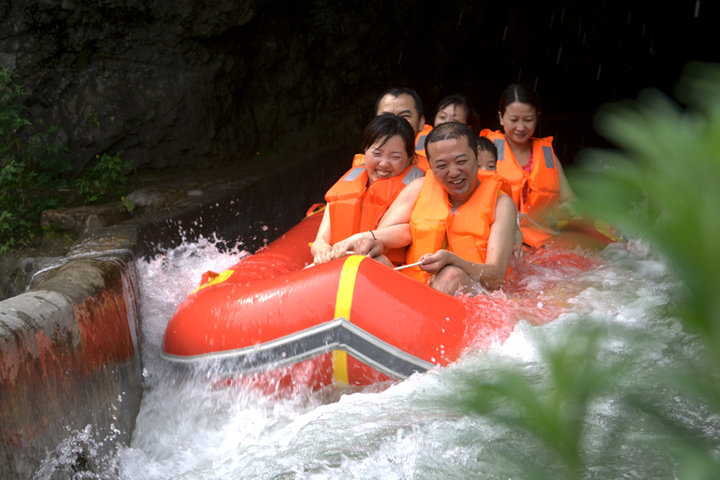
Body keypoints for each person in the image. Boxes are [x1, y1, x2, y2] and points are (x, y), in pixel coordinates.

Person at [373, 122, 518, 295]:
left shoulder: (502, 203)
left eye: (461, 161)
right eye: (442, 166)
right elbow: (385, 235)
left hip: (474, 293)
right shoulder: (417, 189)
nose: (454, 172)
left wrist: (453, 261)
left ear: (478, 155)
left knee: (451, 275)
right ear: (431, 166)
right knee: (373, 261)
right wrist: (367, 239)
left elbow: (496, 276)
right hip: (413, 290)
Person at [311, 113, 424, 266]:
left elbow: (408, 232)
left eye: (395, 157)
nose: (384, 164)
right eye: (377, 153)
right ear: (365, 150)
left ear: (410, 157)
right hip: (338, 266)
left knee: (378, 261)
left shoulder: (416, 186)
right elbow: (320, 239)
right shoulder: (346, 186)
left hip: (389, 269)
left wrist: (359, 238)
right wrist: (322, 250)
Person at [480, 83, 575, 248]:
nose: (521, 127)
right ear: (501, 118)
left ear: (537, 117)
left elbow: (571, 200)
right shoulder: (485, 151)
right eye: (514, 120)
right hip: (501, 242)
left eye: (528, 120)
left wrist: (562, 212)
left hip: (545, 243)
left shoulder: (548, 155)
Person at [354, 87, 433, 172]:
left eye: (404, 116)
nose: (395, 122)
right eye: (386, 117)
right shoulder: (360, 168)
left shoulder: (435, 171)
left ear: (421, 122)